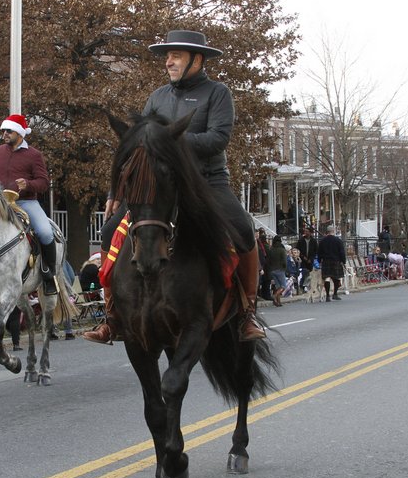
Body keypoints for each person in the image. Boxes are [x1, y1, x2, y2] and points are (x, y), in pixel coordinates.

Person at [85, 29, 264, 343]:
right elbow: (136, 148)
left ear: (197, 59)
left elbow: (218, 139)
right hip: (160, 185)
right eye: (167, 56)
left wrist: (170, 143)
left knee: (244, 228)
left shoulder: (217, 93)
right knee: (110, 229)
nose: (168, 62)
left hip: (207, 182)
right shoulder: (157, 96)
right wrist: (116, 192)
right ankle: (112, 315)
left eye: (175, 55)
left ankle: (248, 311)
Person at [0, 113, 59, 295]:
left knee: (45, 232)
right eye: (3, 131)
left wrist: (28, 184)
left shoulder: (34, 155)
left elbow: (43, 182)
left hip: (26, 202)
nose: (4, 134)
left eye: (9, 131)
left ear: (19, 133)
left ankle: (49, 274)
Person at [317, 225, 346, 302]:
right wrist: (343, 261)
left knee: (327, 278)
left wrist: (319, 261)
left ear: (327, 231)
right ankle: (335, 294)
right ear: (333, 231)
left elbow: (319, 252)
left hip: (326, 261)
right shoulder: (338, 241)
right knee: (336, 278)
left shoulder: (322, 241)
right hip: (336, 261)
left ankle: (327, 296)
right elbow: (342, 252)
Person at [266, 235, 288, 306]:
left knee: (278, 286)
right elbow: (284, 261)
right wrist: (285, 268)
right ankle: (275, 296)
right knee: (283, 286)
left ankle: (278, 302)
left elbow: (268, 260)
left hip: (272, 270)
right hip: (280, 269)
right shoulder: (282, 250)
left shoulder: (271, 249)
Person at [295, 226, 318, 294]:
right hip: (303, 260)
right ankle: (302, 286)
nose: (306, 232)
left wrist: (311, 258)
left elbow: (315, 251)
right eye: (305, 231)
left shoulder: (313, 241)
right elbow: (298, 249)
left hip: (311, 260)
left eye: (307, 231)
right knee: (304, 272)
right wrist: (303, 257)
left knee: (311, 274)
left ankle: (309, 287)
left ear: (310, 233)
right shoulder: (301, 240)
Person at [256, 228, 272, 300]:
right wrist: (260, 268)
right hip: (261, 266)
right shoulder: (258, 244)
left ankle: (261, 294)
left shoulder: (260, 243)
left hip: (264, 265)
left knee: (262, 281)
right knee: (259, 282)